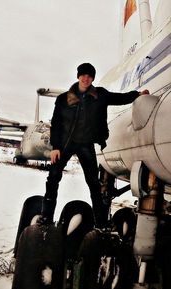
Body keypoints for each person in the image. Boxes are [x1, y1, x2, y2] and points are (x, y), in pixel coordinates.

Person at [40, 63, 149, 228]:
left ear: (92, 78)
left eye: (89, 76)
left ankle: (101, 222)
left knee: (93, 183)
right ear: (78, 76)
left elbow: (119, 98)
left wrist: (137, 95)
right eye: (83, 75)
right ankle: (46, 217)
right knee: (53, 178)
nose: (86, 78)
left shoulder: (100, 95)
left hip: (85, 144)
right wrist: (55, 146)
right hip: (64, 144)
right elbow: (56, 123)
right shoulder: (63, 99)